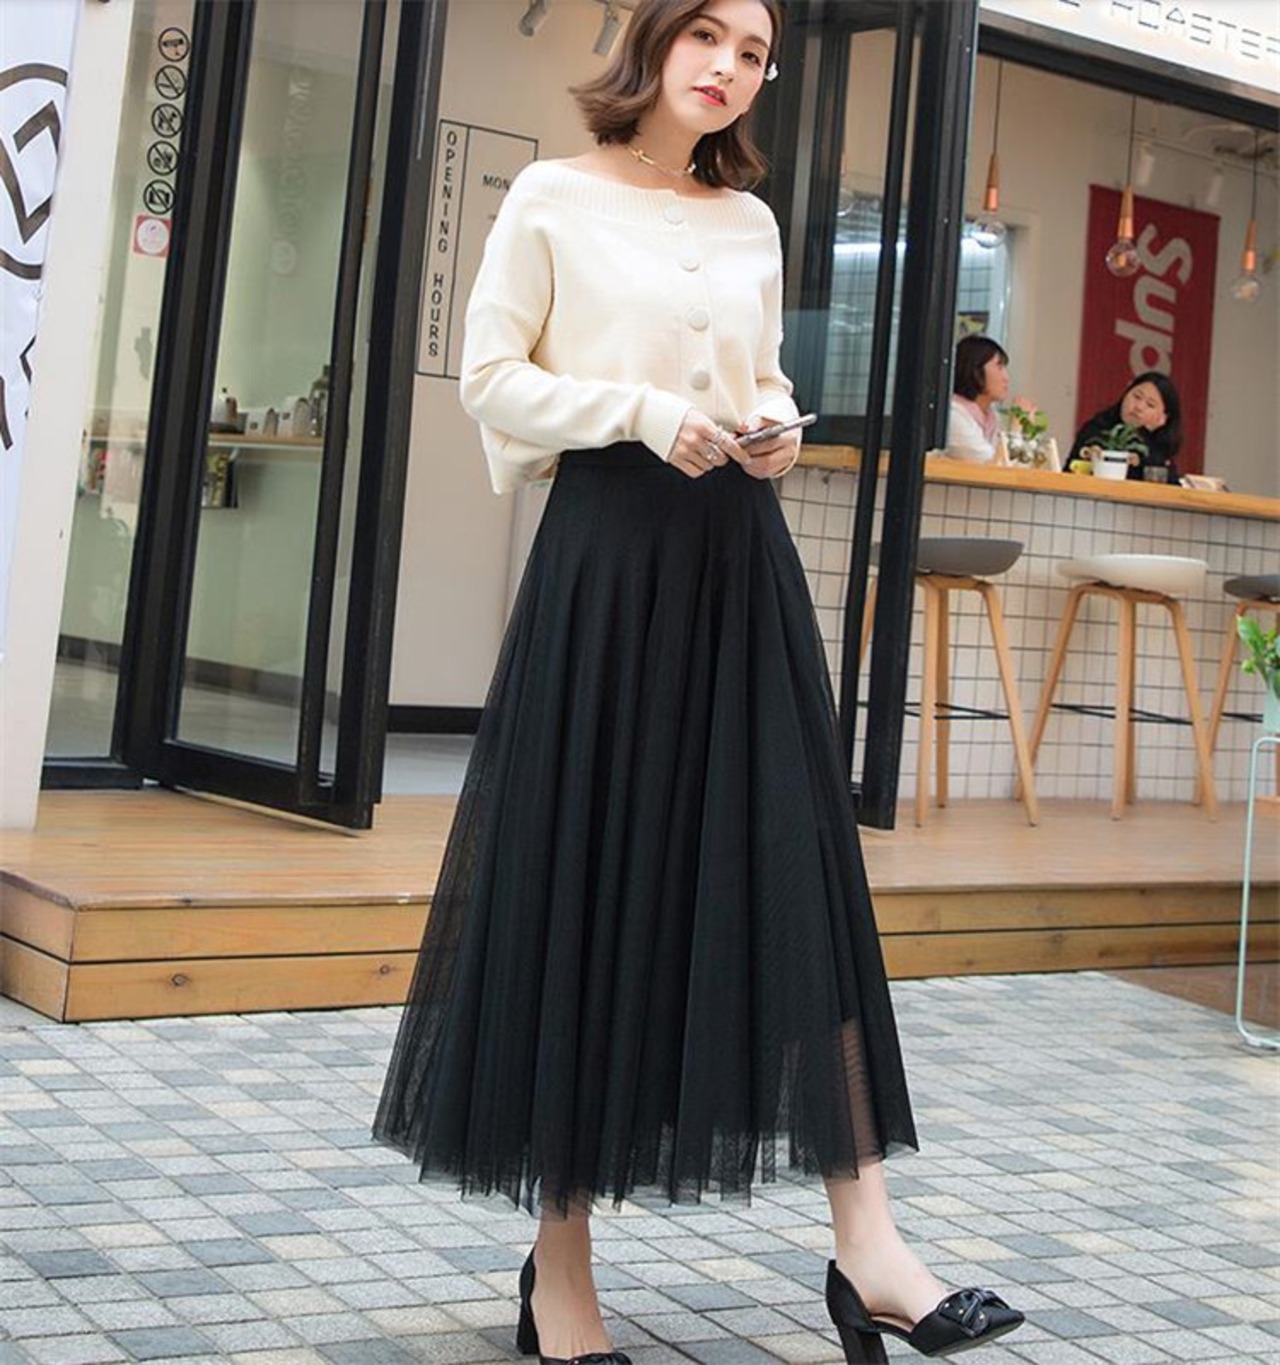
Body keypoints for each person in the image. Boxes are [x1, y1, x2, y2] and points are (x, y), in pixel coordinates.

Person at [374, 4, 1024, 1363]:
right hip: (609, 563)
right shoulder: (552, 197)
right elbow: (490, 380)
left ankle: (871, 1247)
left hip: (739, 562)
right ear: (656, 41)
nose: (730, 68)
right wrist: (636, 410)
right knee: (583, 881)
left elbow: (757, 372)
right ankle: (559, 1272)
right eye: (709, 36)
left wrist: (773, 421)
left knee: (798, 876)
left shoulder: (752, 222)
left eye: (755, 53)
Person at [1068, 371, 1182, 482]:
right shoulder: (1097, 428)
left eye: (1150, 405)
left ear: (1163, 417)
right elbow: (1070, 471)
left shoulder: (1160, 447)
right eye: (1137, 396)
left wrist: (1145, 435)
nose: (1139, 407)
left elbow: (1170, 484)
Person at [945, 334, 1009, 463]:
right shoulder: (953, 414)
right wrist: (1017, 429)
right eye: (999, 367)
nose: (1006, 378)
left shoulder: (992, 416)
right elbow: (989, 462)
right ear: (976, 371)